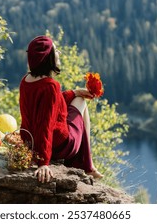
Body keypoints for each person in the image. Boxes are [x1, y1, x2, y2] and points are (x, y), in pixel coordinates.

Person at [19, 35, 104, 183]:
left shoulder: (26, 81)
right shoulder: (51, 86)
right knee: (81, 102)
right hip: (61, 146)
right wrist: (43, 163)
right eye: (56, 50)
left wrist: (74, 92)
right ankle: (88, 164)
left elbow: (48, 105)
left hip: (31, 143)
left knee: (77, 97)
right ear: (48, 58)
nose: (59, 53)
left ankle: (88, 165)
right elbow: (45, 125)